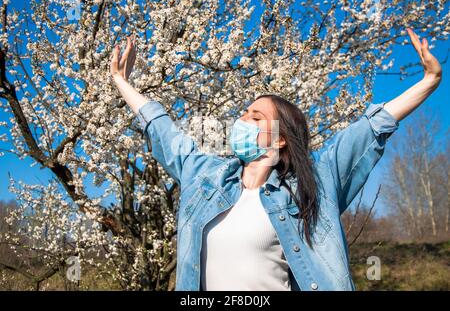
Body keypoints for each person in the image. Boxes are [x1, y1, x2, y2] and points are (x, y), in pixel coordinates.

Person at [110, 28, 442, 291]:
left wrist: (429, 82)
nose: (242, 121)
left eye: (255, 117)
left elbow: (369, 130)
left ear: (280, 137)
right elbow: (162, 129)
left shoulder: (315, 182)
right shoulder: (204, 177)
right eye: (243, 114)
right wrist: (121, 82)